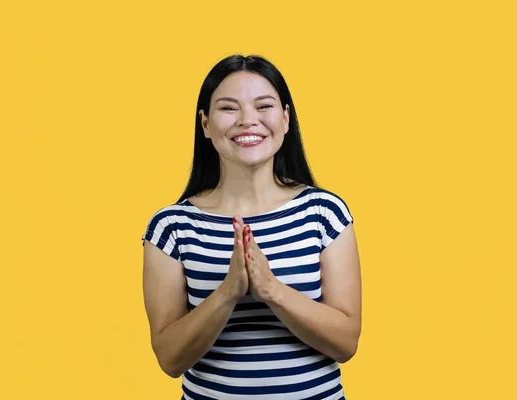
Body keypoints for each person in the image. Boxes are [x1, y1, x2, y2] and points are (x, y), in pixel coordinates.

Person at [141, 54, 362, 399]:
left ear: (286, 118)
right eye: (229, 109)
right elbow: (170, 359)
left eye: (264, 106)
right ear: (205, 124)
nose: (248, 121)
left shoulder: (324, 212)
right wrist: (229, 292)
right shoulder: (172, 226)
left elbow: (346, 343)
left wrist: (270, 289)